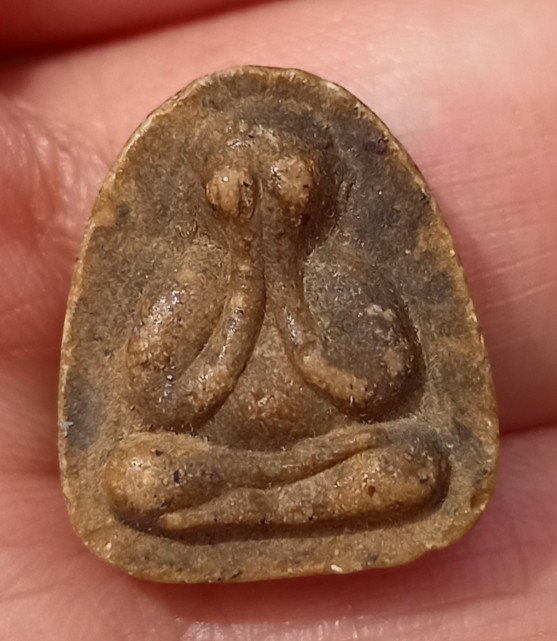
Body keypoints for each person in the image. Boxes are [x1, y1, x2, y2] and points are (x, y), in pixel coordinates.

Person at [0, 1, 556, 639]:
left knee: (418, 465)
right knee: (135, 476)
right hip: (214, 460)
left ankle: (248, 513)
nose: (264, 200)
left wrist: (293, 304)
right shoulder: (190, 284)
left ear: (316, 195)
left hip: (333, 456)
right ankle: (267, 505)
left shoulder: (342, 276)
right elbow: (161, 402)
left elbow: (385, 391)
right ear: (212, 194)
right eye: (241, 185)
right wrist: (244, 288)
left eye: (286, 185)